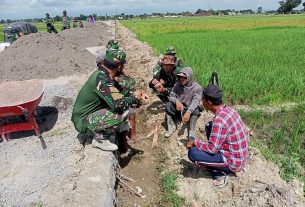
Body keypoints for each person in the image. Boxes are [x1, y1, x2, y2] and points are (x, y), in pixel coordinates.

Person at [71, 48, 148, 152]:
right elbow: (119, 104)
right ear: (119, 66)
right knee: (126, 112)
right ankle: (99, 139)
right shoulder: (102, 80)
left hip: (88, 116)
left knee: (126, 108)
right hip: (83, 122)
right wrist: (134, 97)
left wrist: (136, 95)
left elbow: (117, 93)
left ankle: (116, 139)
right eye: (123, 65)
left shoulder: (104, 74)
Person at [186, 84, 249, 187]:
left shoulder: (219, 121)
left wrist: (195, 143)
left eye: (203, 100)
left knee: (192, 153)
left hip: (232, 163)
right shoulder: (230, 110)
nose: (202, 102)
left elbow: (212, 149)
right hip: (239, 156)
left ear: (209, 102)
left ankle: (220, 172)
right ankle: (217, 161)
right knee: (209, 125)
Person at [165, 67, 202, 139]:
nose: (181, 79)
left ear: (189, 77)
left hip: (189, 109)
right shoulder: (177, 85)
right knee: (168, 105)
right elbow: (171, 96)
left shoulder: (197, 88)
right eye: (180, 77)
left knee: (196, 110)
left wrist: (188, 112)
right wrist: (177, 101)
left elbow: (196, 101)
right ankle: (171, 126)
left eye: (184, 77)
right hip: (179, 109)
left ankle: (192, 131)